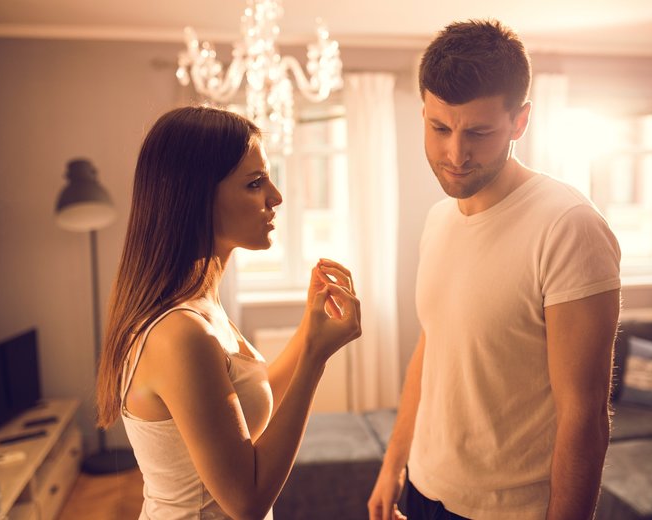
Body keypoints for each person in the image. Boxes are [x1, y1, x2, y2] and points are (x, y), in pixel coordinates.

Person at [368, 19, 621, 520]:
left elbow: (584, 415)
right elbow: (434, 344)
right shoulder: (439, 219)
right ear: (423, 112)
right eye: (439, 128)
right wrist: (394, 460)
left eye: (479, 132)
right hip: (424, 488)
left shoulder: (569, 227)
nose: (455, 154)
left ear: (519, 122)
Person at [95, 106, 361, 520]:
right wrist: (315, 359)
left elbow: (238, 405)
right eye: (255, 183)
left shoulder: (199, 305)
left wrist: (311, 331)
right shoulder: (180, 333)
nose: (276, 197)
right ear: (194, 197)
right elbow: (246, 501)